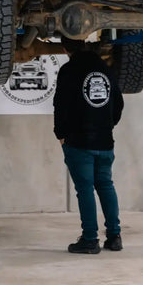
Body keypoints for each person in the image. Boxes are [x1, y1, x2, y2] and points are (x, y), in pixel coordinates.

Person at [53, 40, 124, 254]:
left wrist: (61, 134)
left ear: (65, 49)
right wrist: (106, 126)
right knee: (106, 185)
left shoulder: (69, 70)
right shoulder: (105, 68)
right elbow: (118, 103)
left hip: (79, 142)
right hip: (105, 141)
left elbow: (61, 105)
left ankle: (90, 239)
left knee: (85, 189)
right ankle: (114, 237)